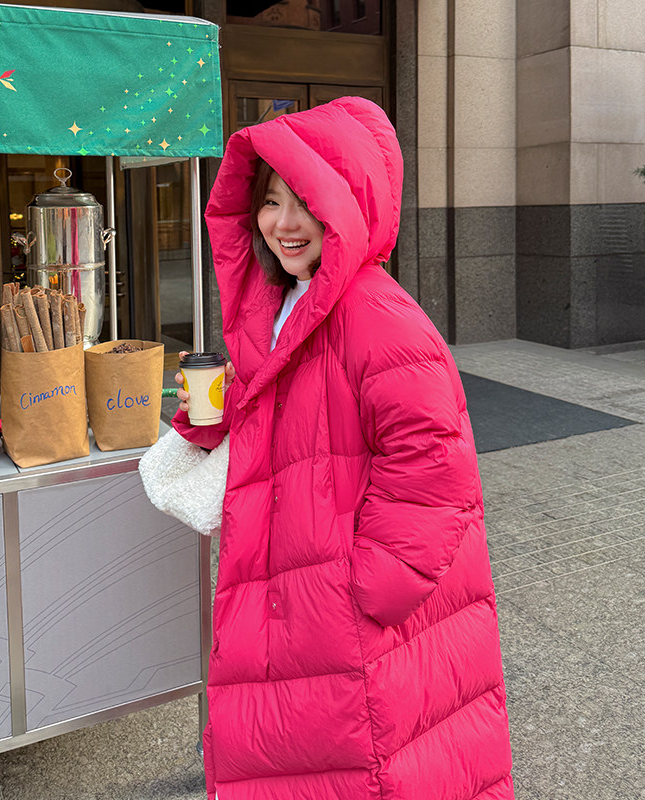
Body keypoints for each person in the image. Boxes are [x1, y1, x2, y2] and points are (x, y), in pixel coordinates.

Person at [173, 97, 514, 800]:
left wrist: (357, 597)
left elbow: (433, 473)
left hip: (338, 626)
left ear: (349, 205)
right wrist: (213, 419)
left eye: (307, 201)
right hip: (297, 607)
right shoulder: (295, 304)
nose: (283, 223)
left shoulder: (378, 319)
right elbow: (297, 414)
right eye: (270, 201)